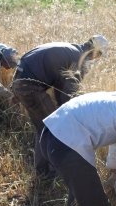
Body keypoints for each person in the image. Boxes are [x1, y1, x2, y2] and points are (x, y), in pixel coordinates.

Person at [11, 35, 109, 178]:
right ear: (95, 51)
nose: (96, 59)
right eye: (99, 55)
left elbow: (59, 86)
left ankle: (43, 169)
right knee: (52, 127)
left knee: (44, 127)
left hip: (21, 82)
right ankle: (49, 171)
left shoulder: (71, 48)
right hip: (30, 86)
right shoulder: (79, 60)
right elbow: (67, 95)